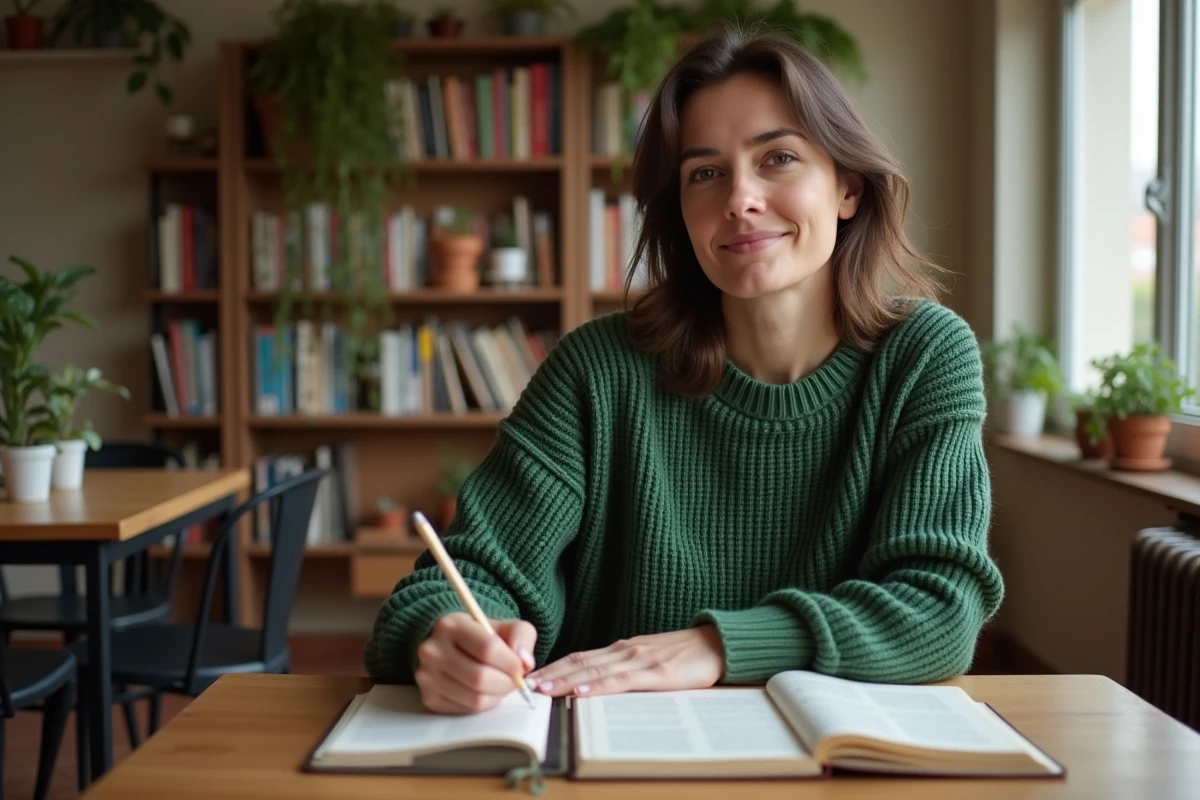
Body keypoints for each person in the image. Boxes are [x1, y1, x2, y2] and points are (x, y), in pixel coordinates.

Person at [365, 26, 1004, 715]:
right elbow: (460, 579)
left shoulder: (924, 355)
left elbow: (940, 608)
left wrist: (716, 645)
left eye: (778, 158)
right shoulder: (596, 370)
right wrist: (452, 637)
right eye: (705, 172)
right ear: (682, 211)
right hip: (609, 760)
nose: (740, 198)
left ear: (847, 187)